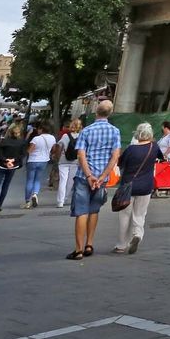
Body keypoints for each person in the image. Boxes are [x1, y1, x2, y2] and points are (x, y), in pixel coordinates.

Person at [70, 101, 122, 260]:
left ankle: (78, 250)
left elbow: (81, 154)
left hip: (84, 177)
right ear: (110, 113)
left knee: (81, 212)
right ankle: (89, 244)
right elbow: (115, 156)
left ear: (96, 112)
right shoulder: (114, 131)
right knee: (94, 210)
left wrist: (88, 175)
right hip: (102, 178)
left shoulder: (86, 131)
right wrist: (102, 177)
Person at [110, 122, 161, 255]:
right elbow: (161, 157)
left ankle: (121, 245)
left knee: (124, 215)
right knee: (140, 214)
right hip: (146, 187)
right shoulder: (154, 147)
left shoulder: (131, 149)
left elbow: (120, 163)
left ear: (137, 134)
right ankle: (137, 234)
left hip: (128, 187)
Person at [0, 122, 27, 214]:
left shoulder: (4, 141)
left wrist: (6, 160)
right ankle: (0, 205)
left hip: (1, 165)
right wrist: (13, 160)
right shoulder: (22, 143)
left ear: (10, 132)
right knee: (6, 185)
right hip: (13, 165)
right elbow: (23, 154)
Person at [23, 122, 55, 208]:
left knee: (30, 180)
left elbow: (30, 150)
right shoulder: (52, 138)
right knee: (37, 179)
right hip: (44, 161)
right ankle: (35, 194)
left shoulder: (36, 139)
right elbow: (53, 149)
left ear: (41, 129)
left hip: (33, 160)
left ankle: (27, 201)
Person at [55, 119, 82, 208]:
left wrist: (57, 159)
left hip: (63, 161)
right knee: (70, 182)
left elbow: (59, 147)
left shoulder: (65, 136)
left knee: (62, 181)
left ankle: (60, 201)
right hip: (75, 162)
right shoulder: (81, 136)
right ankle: (65, 198)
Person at [154, 121, 170, 197]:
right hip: (158, 157)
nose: (162, 128)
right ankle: (157, 186)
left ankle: (162, 187)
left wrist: (165, 155)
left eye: (162, 127)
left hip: (164, 158)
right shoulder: (163, 136)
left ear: (166, 128)